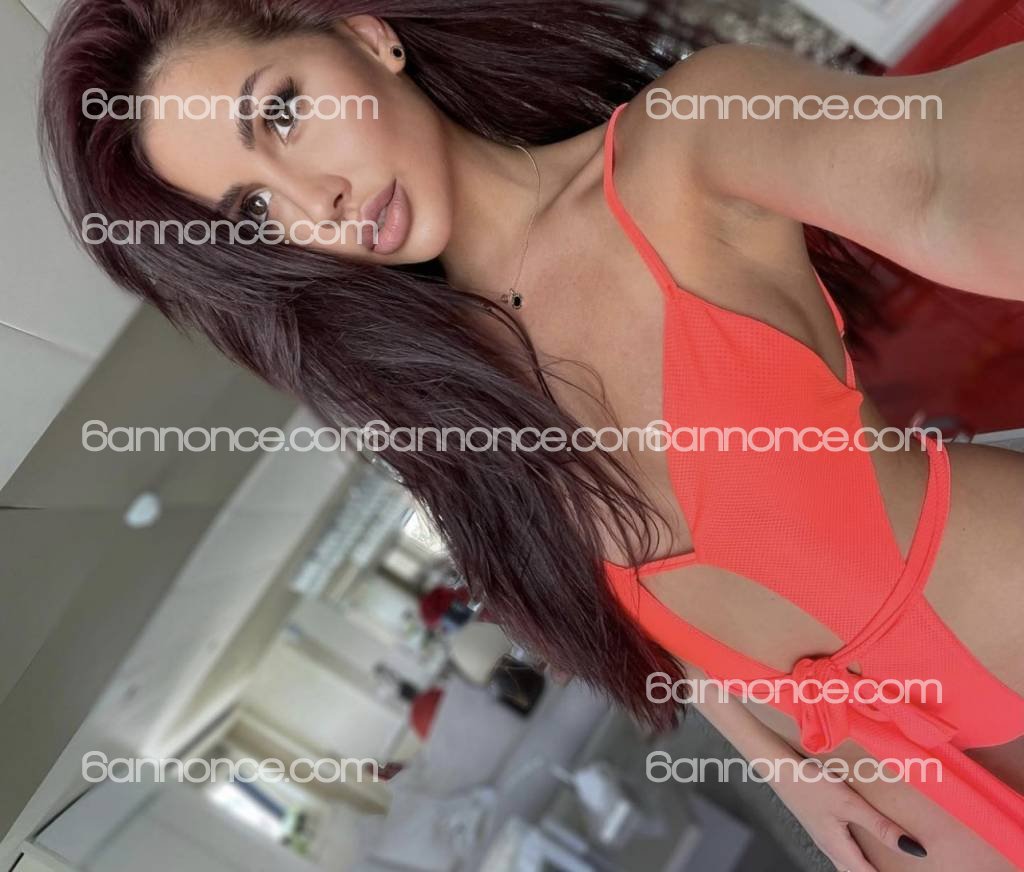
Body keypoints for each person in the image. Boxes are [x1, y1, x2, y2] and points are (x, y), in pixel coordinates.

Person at [38, 2, 1024, 869]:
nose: (314, 200)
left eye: (282, 112)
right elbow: (666, 620)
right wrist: (776, 759)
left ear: (366, 37)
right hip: (897, 802)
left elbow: (942, 173)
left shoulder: (681, 147)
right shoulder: (454, 414)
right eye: (254, 209)